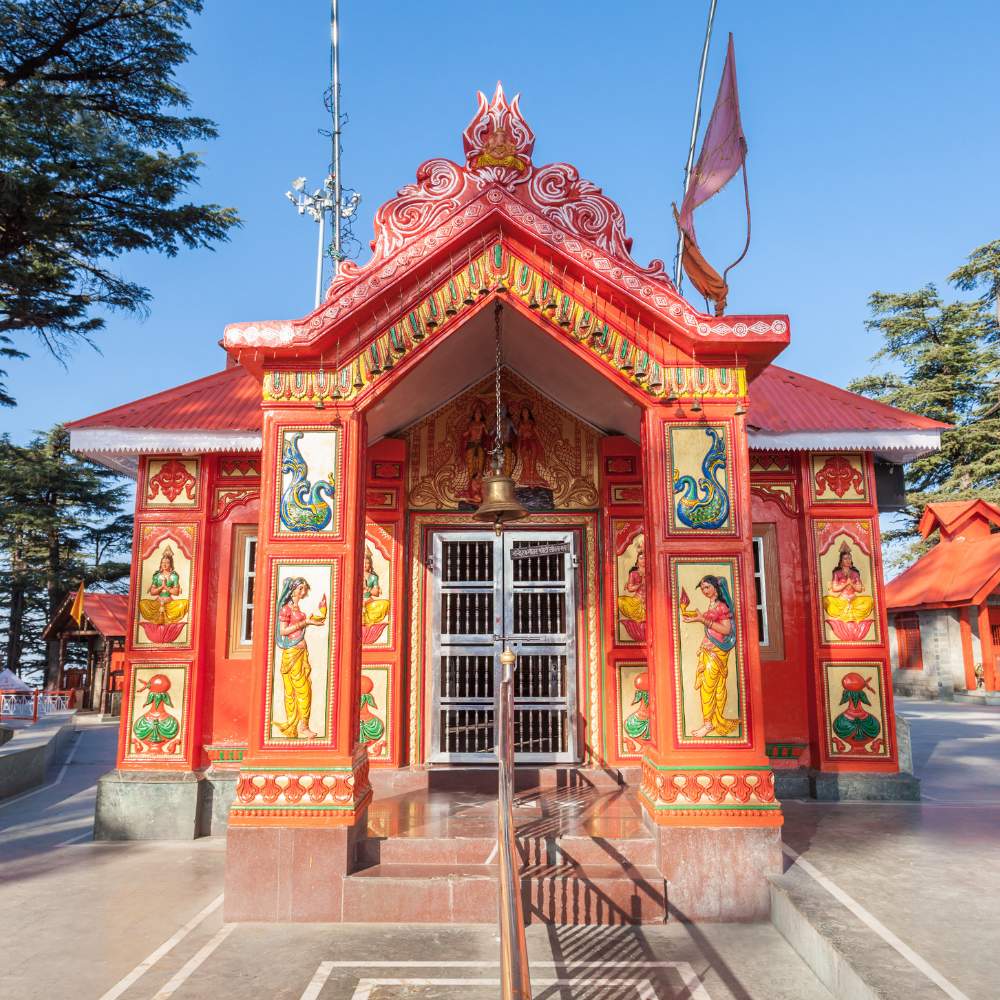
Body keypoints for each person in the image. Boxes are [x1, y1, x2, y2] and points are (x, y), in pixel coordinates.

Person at [682, 574, 739, 738]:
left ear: (716, 587)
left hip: (716, 652)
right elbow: (706, 618)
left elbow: (726, 630)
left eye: (707, 587)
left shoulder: (721, 606)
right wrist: (694, 617)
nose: (704, 591)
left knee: (710, 688)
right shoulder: (713, 604)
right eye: (702, 588)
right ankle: (711, 721)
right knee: (710, 687)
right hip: (709, 650)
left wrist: (702, 620)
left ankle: (708, 724)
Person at [274, 576, 325, 739]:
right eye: (300, 589)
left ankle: (302, 725)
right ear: (292, 590)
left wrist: (311, 619)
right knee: (298, 690)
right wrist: (306, 623)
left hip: (301, 652)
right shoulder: (286, 609)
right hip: (292, 653)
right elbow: (283, 631)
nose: (303, 592)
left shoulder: (297, 607)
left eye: (304, 588)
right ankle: (299, 726)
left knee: (305, 688)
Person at [822, 542, 874, 623]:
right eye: (845, 559)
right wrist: (846, 584)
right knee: (826, 600)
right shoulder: (837, 573)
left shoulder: (855, 573)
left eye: (849, 558)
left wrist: (852, 584)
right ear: (841, 561)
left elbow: (859, 589)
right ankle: (846, 613)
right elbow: (835, 588)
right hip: (842, 599)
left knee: (869, 600)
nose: (848, 560)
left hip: (854, 599)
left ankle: (850, 613)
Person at [138, 547, 188, 625]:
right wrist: (161, 587)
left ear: (171, 564)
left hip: (169, 603)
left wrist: (166, 587)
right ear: (160, 564)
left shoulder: (174, 576)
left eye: (167, 563)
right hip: (158, 603)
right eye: (163, 562)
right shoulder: (157, 576)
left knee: (185, 603)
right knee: (142, 603)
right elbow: (152, 592)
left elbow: (176, 592)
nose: (164, 564)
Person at [617, 539, 647, 632]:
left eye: (645, 558)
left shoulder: (652, 571)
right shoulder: (633, 573)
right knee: (619, 600)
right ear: (637, 561)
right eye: (641, 558)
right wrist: (640, 584)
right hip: (637, 601)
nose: (643, 560)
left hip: (649, 602)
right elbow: (630, 588)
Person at [514, 404, 546, 487]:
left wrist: (541, 441)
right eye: (523, 412)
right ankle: (526, 477)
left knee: (533, 459)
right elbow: (519, 434)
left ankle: (532, 477)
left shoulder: (531, 422)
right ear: (522, 414)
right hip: (524, 442)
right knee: (525, 459)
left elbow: (536, 432)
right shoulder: (520, 423)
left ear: (529, 413)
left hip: (532, 441)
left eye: (526, 412)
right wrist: (518, 442)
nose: (525, 413)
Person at [361, 547, 390, 627]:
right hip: (358, 602)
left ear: (370, 565)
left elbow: (376, 593)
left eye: (367, 563)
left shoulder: (373, 577)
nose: (365, 565)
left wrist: (366, 588)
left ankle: (367, 619)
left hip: (369, 601)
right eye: (363, 562)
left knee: (386, 604)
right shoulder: (356, 574)